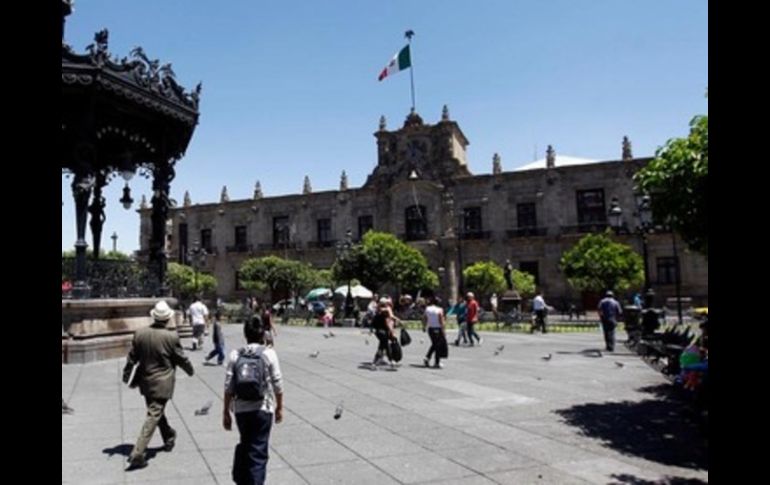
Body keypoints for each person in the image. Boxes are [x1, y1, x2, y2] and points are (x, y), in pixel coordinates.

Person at [123, 300, 194, 469]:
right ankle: (138, 453)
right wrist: (190, 370)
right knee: (154, 414)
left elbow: (132, 357)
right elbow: (180, 357)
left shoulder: (140, 333)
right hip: (163, 382)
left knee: (155, 410)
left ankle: (169, 436)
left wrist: (127, 375)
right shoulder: (171, 336)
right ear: (167, 318)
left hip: (145, 381)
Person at [223, 316, 284, 485]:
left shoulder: (236, 354)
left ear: (245, 335)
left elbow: (228, 386)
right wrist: (279, 407)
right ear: (262, 334)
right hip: (262, 409)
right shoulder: (269, 354)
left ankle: (243, 479)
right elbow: (278, 383)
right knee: (258, 450)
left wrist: (225, 412)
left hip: (241, 410)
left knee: (246, 443)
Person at [371, 297, 397, 369]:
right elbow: (388, 322)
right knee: (386, 346)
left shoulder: (378, 310)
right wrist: (392, 331)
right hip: (382, 331)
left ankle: (375, 362)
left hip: (378, 331)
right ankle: (391, 360)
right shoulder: (385, 311)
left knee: (382, 346)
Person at [422, 295, 447, 368]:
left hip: (430, 329)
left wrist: (424, 326)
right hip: (438, 329)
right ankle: (437, 362)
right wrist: (443, 330)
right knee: (438, 346)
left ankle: (427, 358)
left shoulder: (427, 309)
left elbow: (424, 318)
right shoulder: (439, 310)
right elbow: (441, 320)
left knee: (434, 344)